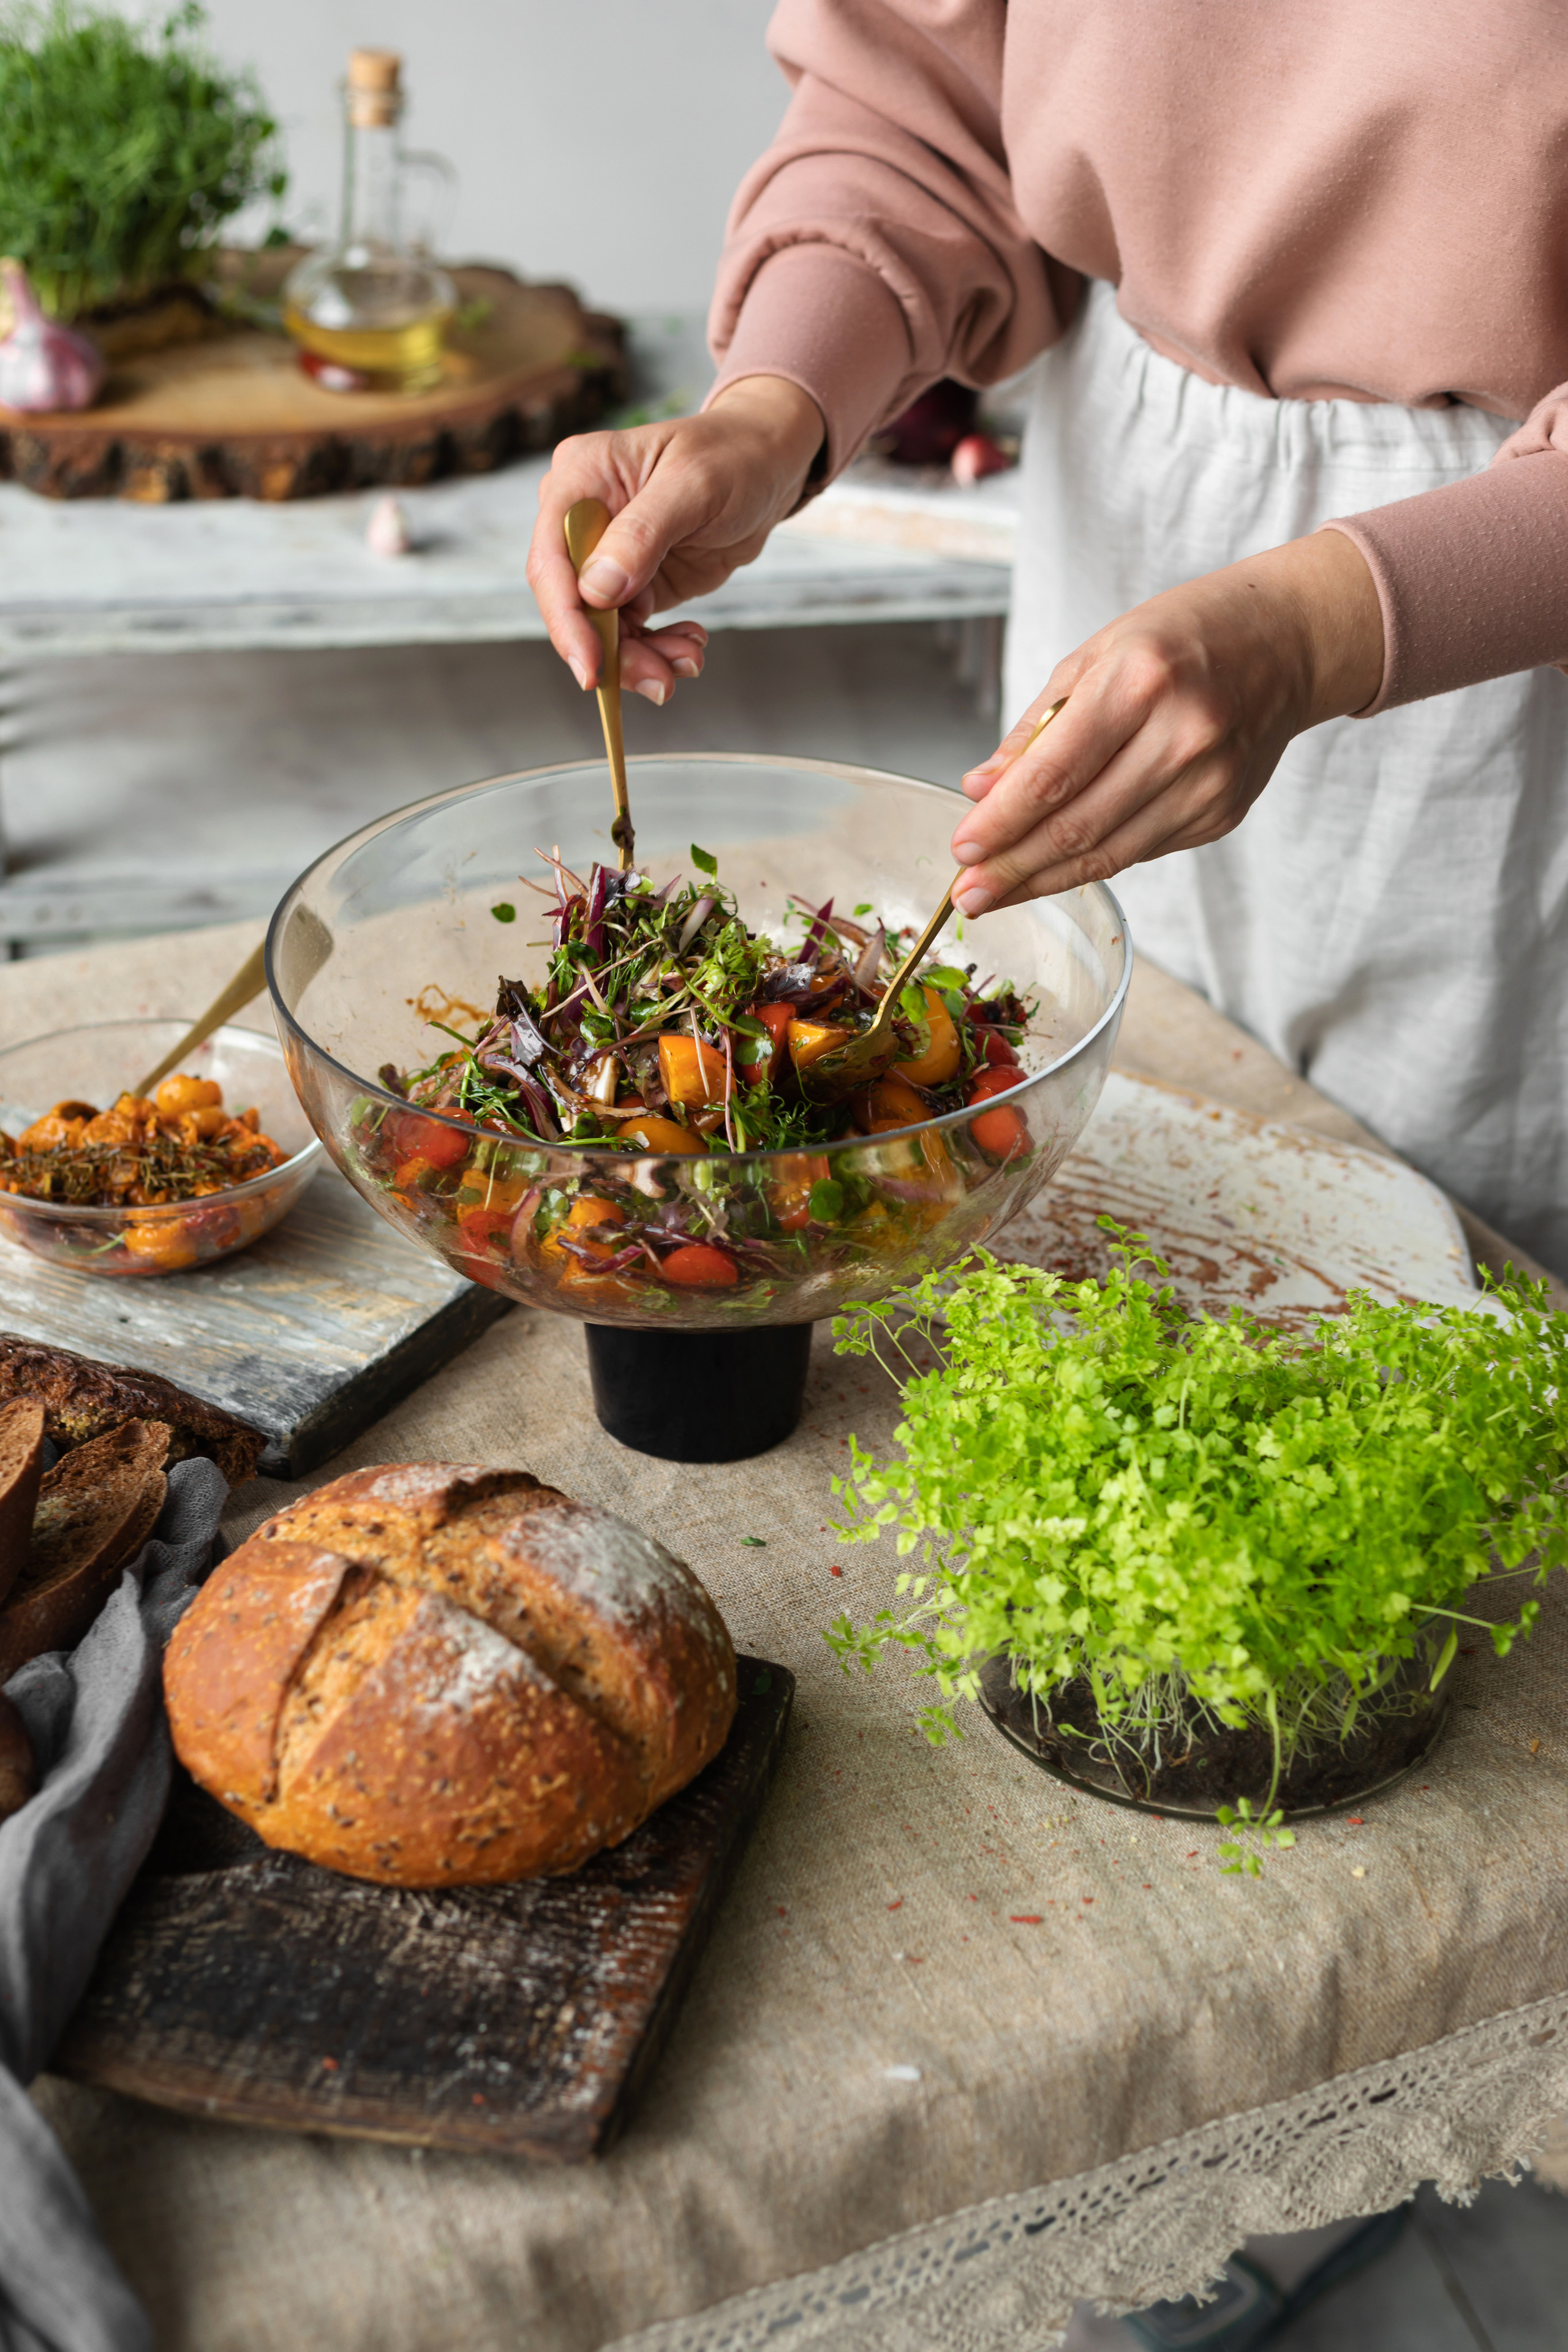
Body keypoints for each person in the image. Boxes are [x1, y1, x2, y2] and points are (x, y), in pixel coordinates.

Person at [527, 1, 1568, 1285]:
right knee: (1123, 1195)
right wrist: (772, 406)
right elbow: (922, 95)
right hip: (1124, 512)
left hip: (1508, 614)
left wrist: (1312, 629)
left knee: (1457, 1296)